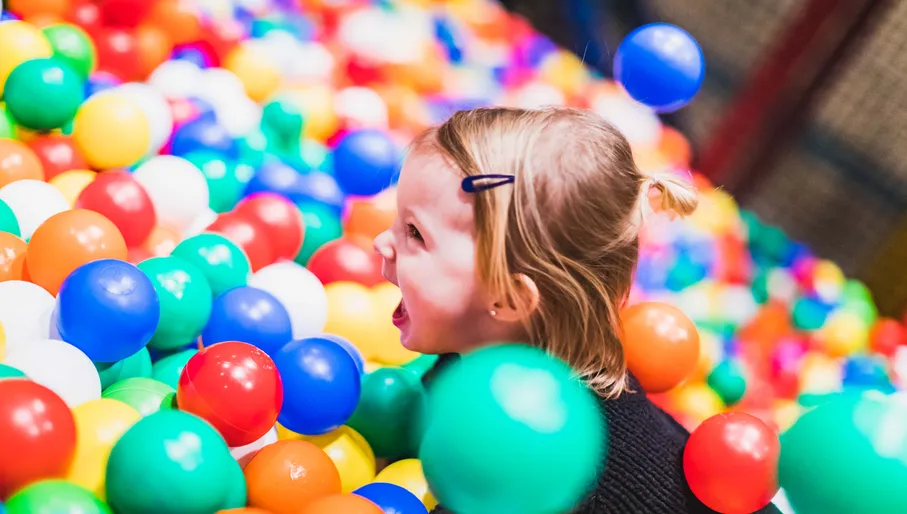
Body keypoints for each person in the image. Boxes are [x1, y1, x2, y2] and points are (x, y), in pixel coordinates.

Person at [373, 106, 780, 514]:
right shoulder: (470, 358)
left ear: (510, 298)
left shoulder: (534, 463)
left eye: (415, 234)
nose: (379, 243)